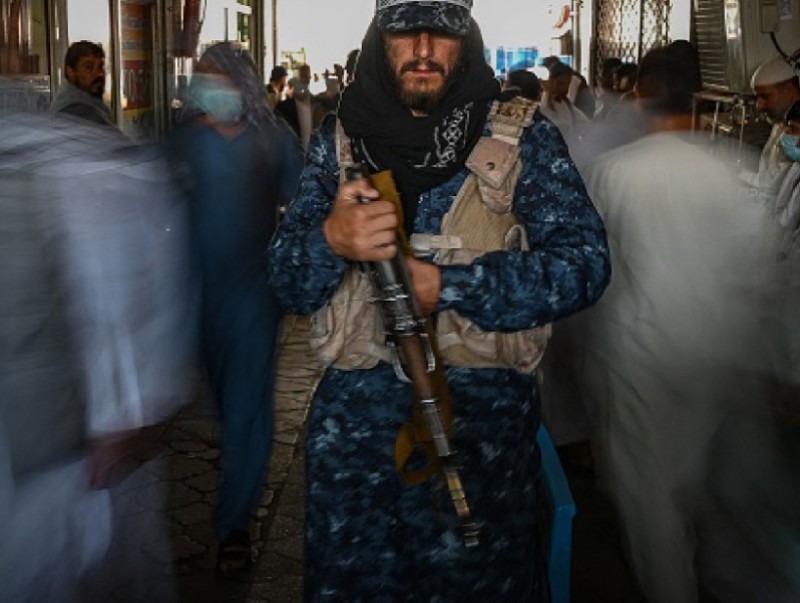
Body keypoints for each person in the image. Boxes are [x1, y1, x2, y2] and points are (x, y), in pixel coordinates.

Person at [268, 0, 610, 599]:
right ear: (381, 37)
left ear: (466, 38)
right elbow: (288, 284)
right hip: (355, 459)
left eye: (442, 32)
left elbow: (585, 265)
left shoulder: (522, 136)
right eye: (406, 30)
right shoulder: (341, 140)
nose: (423, 49)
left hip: (482, 444)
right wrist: (329, 240)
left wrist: (450, 286)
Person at [573, 41, 767, 603]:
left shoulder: (615, 172)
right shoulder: (734, 168)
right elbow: (759, 270)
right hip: (721, 352)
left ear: (641, 93)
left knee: (651, 499)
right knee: (715, 491)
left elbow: (588, 272)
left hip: (641, 357)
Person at [169, 42, 303, 577]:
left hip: (253, 297)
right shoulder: (184, 140)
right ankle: (238, 486)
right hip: (197, 298)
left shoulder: (272, 138)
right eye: (201, 76)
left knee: (247, 409)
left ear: (241, 82)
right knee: (226, 404)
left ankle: (235, 525)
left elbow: (304, 202)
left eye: (216, 76)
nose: (207, 87)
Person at [741, 56, 800, 204]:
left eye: (765, 96)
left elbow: (773, 186)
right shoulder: (779, 123)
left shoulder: (795, 133)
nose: (759, 105)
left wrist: (737, 174)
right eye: (757, 97)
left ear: (789, 90)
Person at [50, 40, 114, 127]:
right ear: (71, 72)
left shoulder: (87, 101)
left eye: (100, 66)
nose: (99, 73)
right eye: (88, 67)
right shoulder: (77, 111)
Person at [275, 64, 317, 151]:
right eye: (304, 76)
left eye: (308, 76)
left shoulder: (313, 101)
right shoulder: (286, 106)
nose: (307, 79)